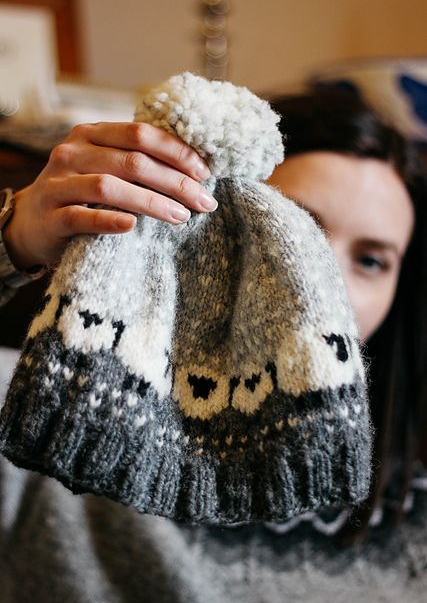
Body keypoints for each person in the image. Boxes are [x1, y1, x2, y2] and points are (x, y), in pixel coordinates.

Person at [0, 90, 426, 602]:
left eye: (372, 261)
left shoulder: (413, 523)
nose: (322, 283)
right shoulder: (45, 404)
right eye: (298, 230)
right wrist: (13, 236)